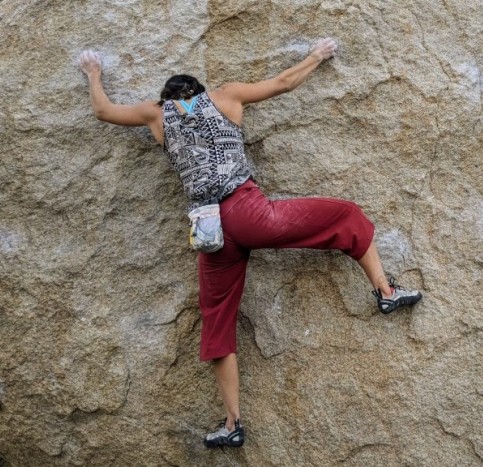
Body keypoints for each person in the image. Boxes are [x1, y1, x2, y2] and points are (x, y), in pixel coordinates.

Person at [78, 38, 422, 448]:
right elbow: (282, 83)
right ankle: (385, 291)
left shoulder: (156, 116)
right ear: (200, 90)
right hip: (247, 213)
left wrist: (93, 72)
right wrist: (317, 55)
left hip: (210, 233)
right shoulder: (225, 96)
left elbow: (102, 111)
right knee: (344, 214)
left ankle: (232, 423)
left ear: (166, 98)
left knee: (217, 319)